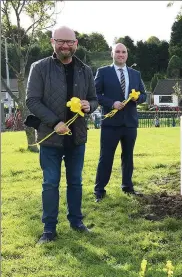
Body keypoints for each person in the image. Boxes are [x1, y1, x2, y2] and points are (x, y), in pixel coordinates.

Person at [26, 25, 99, 243]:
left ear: (76, 44)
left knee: (75, 182)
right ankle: (49, 229)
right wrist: (54, 122)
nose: (65, 45)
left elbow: (94, 99)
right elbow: (32, 101)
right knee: (50, 182)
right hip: (50, 137)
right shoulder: (39, 68)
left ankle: (76, 221)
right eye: (61, 41)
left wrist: (90, 105)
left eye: (70, 42)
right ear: (52, 42)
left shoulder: (85, 69)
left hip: (77, 136)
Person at [93, 43, 147, 202]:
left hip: (130, 123)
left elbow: (144, 95)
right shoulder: (103, 72)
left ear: (127, 55)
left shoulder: (135, 74)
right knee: (106, 157)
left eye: (123, 52)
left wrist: (138, 98)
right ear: (112, 54)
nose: (121, 54)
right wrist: (111, 103)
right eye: (117, 51)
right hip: (110, 123)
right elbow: (95, 95)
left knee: (128, 156)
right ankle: (99, 190)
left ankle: (127, 187)